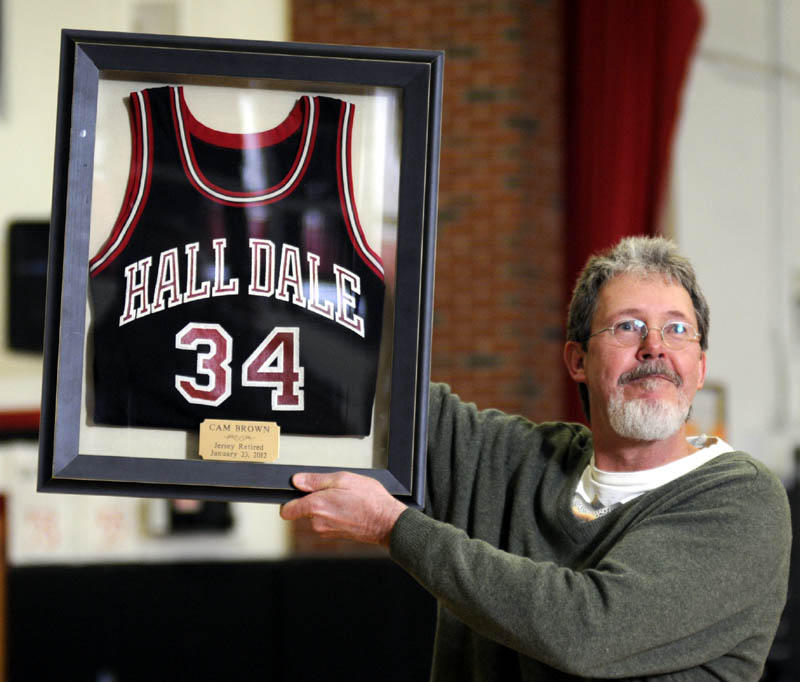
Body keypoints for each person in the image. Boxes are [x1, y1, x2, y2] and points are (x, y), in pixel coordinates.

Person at [280, 236, 792, 681]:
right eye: (628, 326)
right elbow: (379, 391)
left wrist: (394, 528)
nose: (654, 347)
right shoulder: (520, 460)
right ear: (577, 361)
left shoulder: (742, 501)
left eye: (677, 330)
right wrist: (350, 280)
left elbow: (586, 629)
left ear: (699, 369)